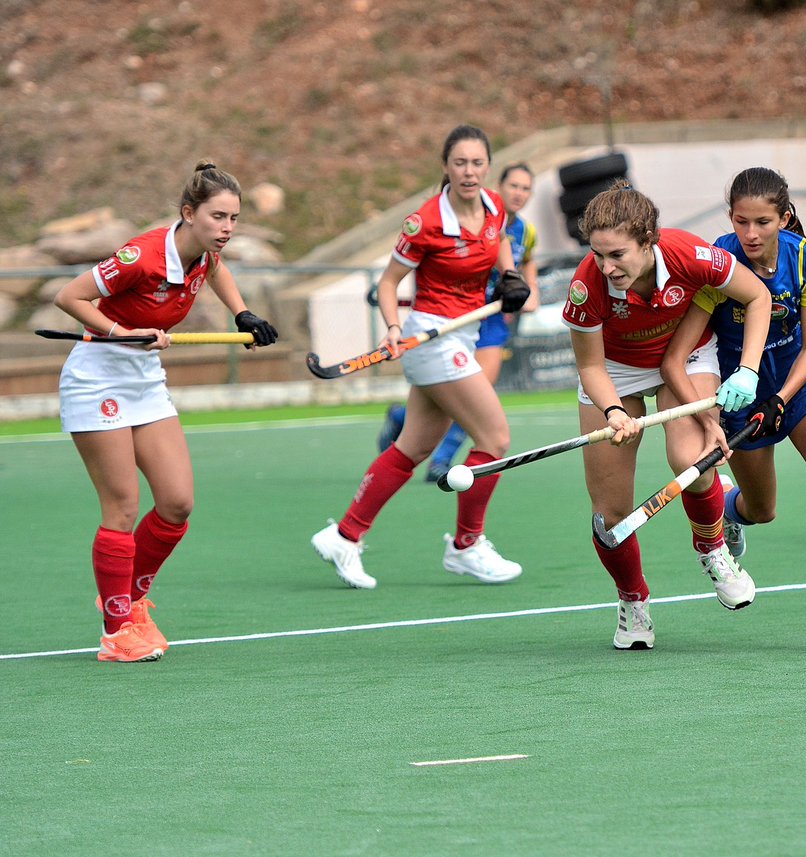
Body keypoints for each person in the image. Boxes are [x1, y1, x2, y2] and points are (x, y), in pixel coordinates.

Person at [52, 161, 279, 663]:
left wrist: (241, 312)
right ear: (188, 213)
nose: (227, 228)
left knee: (176, 504)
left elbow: (217, 271)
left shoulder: (205, 252)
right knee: (124, 507)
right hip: (99, 377)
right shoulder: (144, 255)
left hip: (145, 380)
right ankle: (116, 630)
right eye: (218, 217)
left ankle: (127, 596)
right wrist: (120, 332)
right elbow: (69, 296)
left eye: (234, 219)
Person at [662, 167, 806, 655]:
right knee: (762, 510)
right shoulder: (717, 265)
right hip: (739, 399)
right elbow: (674, 360)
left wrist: (782, 397)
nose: (751, 234)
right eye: (741, 222)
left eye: (763, 222)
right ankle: (726, 511)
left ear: (784, 217)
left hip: (800, 385)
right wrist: (710, 418)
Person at [312, 125, 531, 589]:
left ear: (486, 165)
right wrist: (393, 328)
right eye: (459, 163)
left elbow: (502, 241)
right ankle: (467, 546)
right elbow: (388, 283)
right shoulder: (425, 222)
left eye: (476, 163)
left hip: (463, 335)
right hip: (431, 340)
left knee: (411, 449)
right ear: (446, 167)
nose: (468, 172)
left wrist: (508, 275)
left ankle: (345, 536)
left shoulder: (494, 206)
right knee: (495, 437)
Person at [563, 179, 773, 650]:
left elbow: (757, 296)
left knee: (691, 460)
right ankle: (633, 601)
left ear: (647, 241)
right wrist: (614, 411)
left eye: (617, 254)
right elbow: (591, 365)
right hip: (614, 370)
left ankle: (713, 547)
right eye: (597, 254)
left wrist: (748, 371)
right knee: (610, 515)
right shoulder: (586, 286)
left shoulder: (690, 255)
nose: (605, 266)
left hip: (688, 355)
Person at [377, 163, 542, 483]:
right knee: (460, 397)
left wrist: (529, 289)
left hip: (492, 323)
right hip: (455, 320)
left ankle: (442, 460)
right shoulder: (466, 219)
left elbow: (528, 259)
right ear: (499, 186)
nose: (519, 194)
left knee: (478, 395)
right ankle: (402, 418)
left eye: (526, 188)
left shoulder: (526, 231)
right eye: (514, 186)